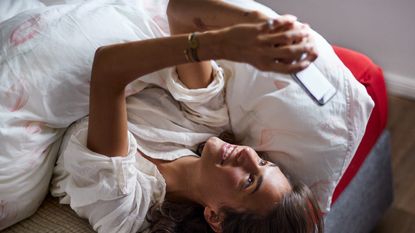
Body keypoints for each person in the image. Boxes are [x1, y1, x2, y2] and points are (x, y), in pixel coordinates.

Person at [51, 1, 323, 233]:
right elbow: (180, 11)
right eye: (263, 162)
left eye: (249, 181)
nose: (248, 154)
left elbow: (107, 70)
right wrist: (261, 26)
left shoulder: (125, 203)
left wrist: (224, 45)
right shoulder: (206, 123)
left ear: (216, 218)